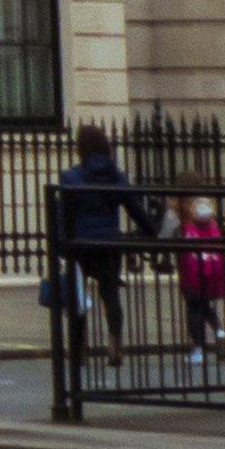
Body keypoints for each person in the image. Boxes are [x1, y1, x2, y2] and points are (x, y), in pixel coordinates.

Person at [51, 123, 156, 354]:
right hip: (109, 243)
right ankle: (115, 341)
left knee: (77, 296)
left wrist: (60, 243)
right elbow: (135, 208)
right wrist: (150, 232)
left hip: (79, 245)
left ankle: (80, 347)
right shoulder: (117, 176)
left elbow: (62, 214)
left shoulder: (71, 177)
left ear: (81, 148)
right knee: (110, 294)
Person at [174, 196, 225, 358]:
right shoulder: (214, 229)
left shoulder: (187, 229)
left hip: (193, 277)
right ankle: (219, 331)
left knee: (194, 310)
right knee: (205, 306)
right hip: (212, 276)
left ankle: (198, 347)